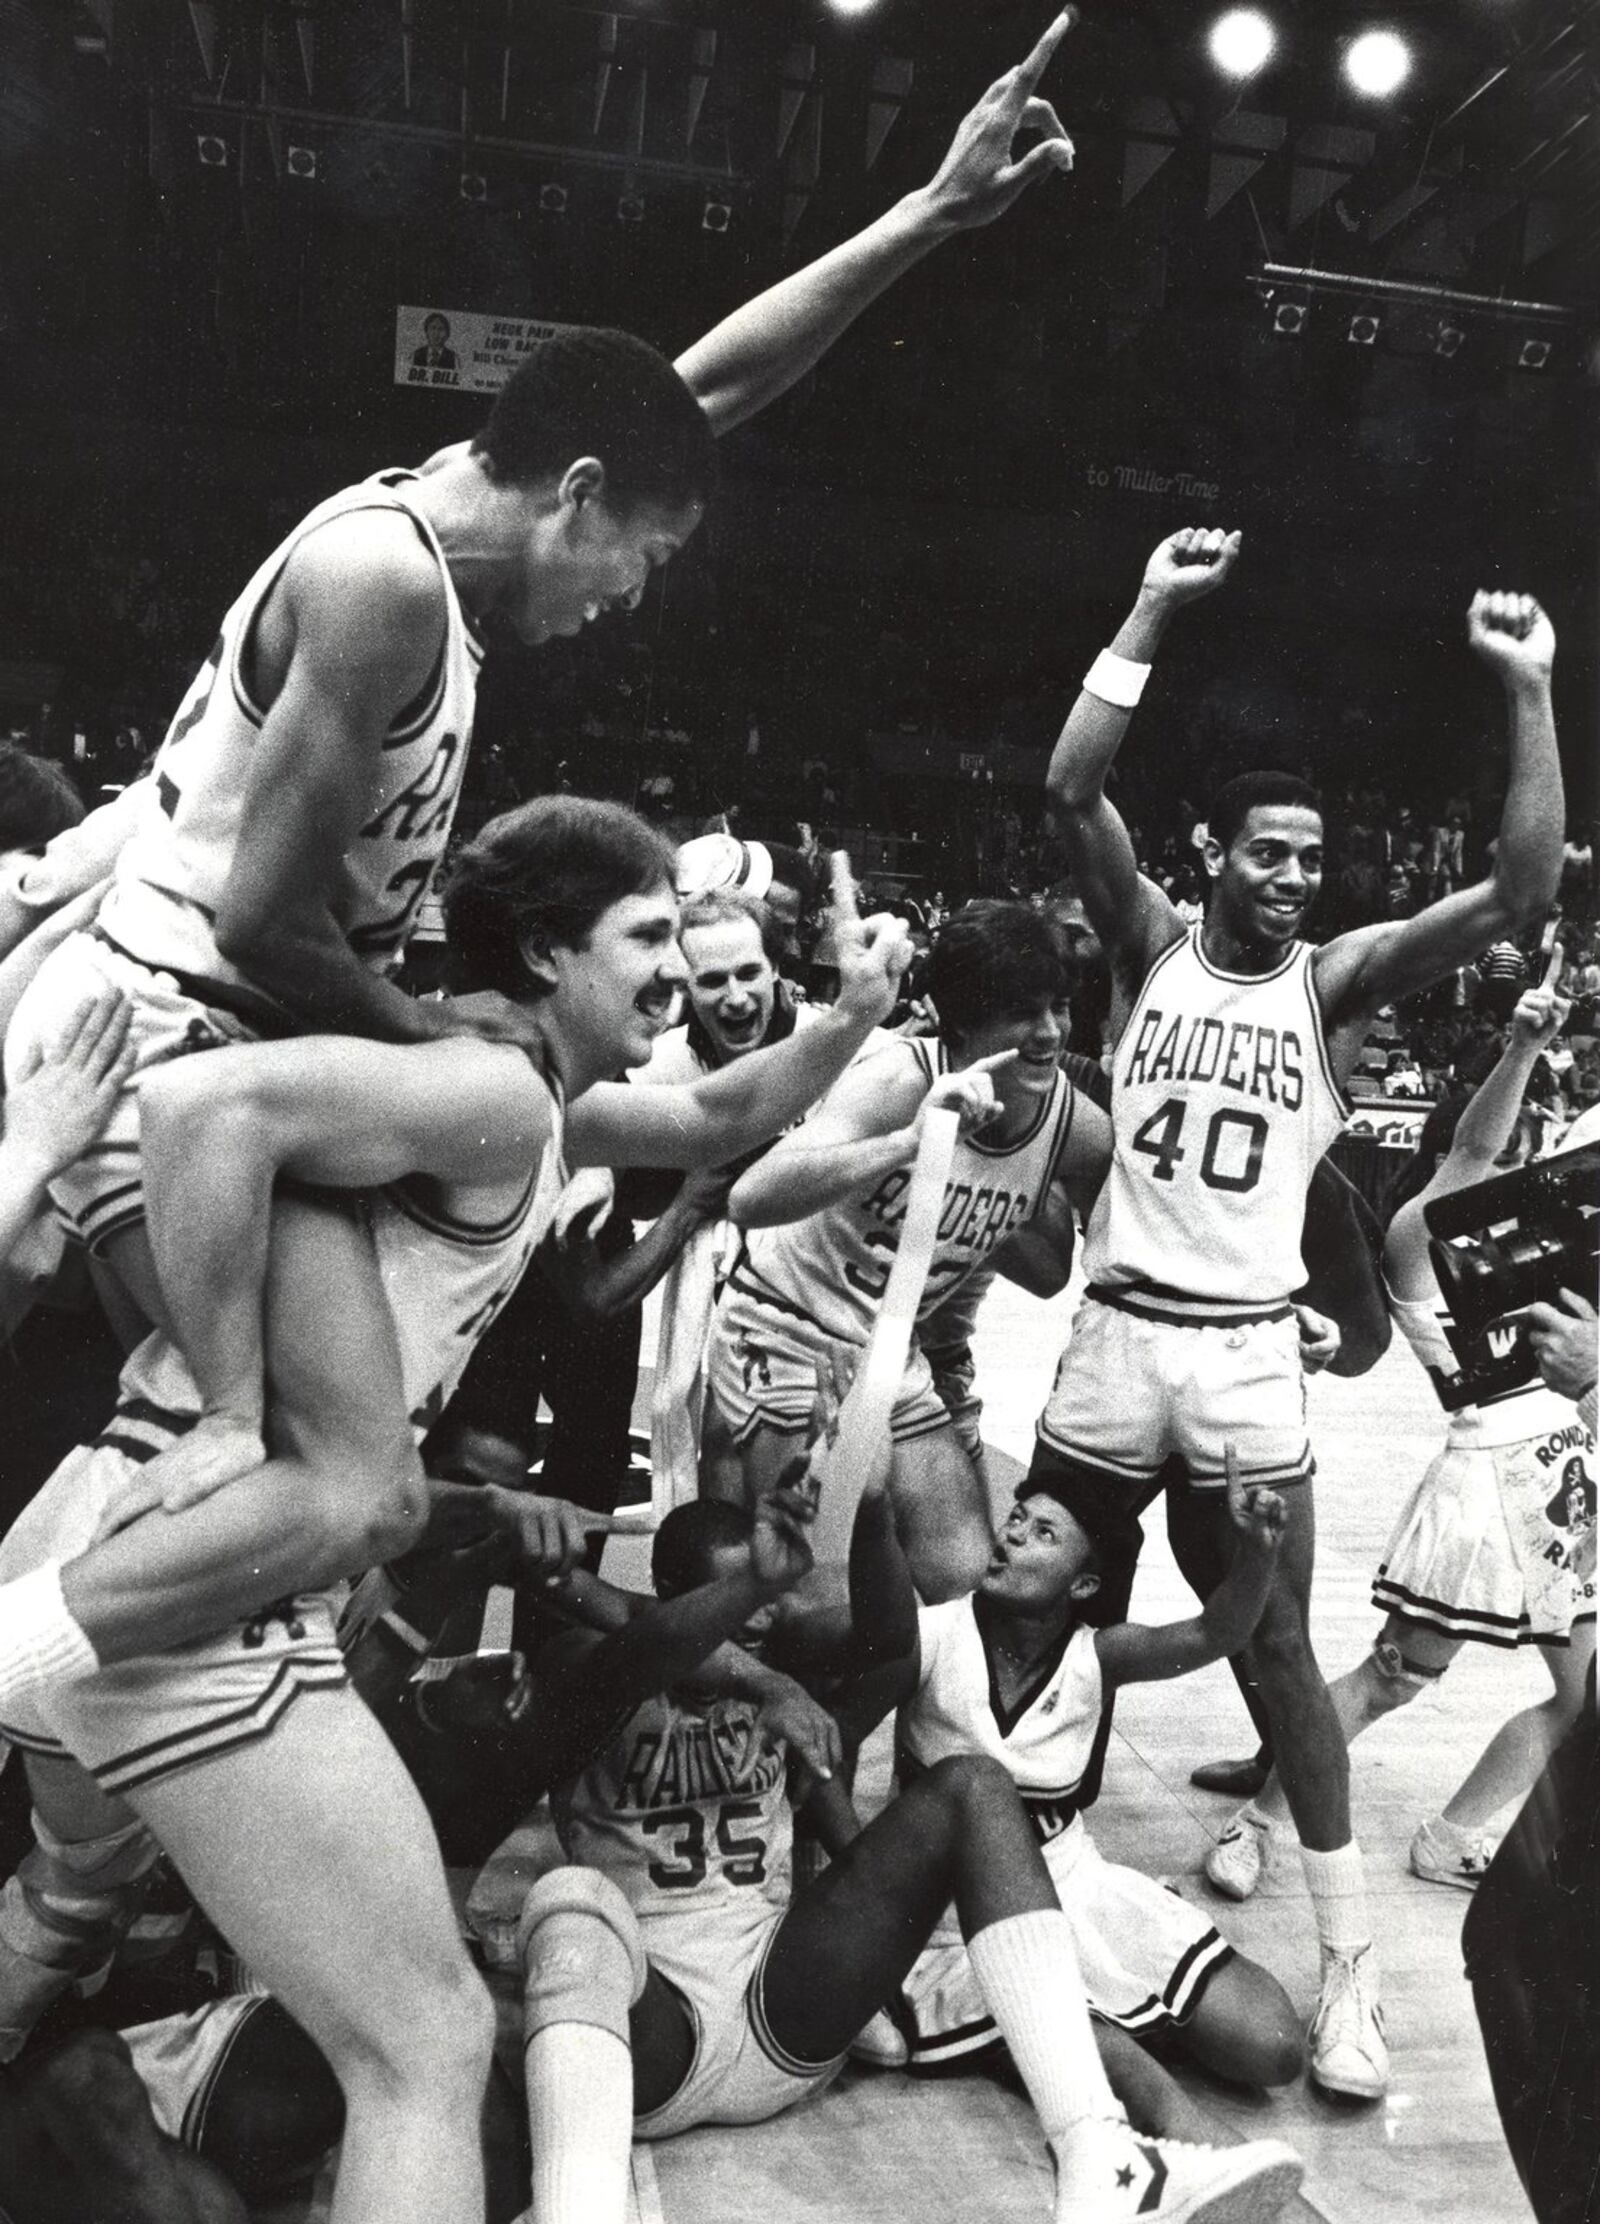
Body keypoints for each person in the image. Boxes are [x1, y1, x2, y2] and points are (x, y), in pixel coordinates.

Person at [0, 799, 910, 2224]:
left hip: (112, 1517)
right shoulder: (497, 1095)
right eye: (649, 935)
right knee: (427, 2044)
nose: (677, 972)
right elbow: (199, 1109)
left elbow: (722, 1114)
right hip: (198, 1570)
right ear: (550, 954)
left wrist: (852, 1017)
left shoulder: (517, 1090)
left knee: (65, 1911)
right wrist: (238, 1404)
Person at [1039, 523, 1564, 2097]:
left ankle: (1350, 1973)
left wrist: (1531, 691)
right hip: (1116, 1339)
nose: (1291, 874)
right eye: (1266, 851)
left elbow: (1521, 887)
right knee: (1046, 1613)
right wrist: (1144, 605)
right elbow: (1072, 793)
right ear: (1213, 857)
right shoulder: (1144, 946)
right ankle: (1020, 1866)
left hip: (1249, 1360)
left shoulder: (1331, 987)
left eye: (1308, 859)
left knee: (1275, 1661)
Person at [516, 1437, 1305, 2224]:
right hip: (653, 2029)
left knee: (975, 1783)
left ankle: (1101, 2161)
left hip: (783, 2014)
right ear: (669, 1594)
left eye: (766, 1599)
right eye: (732, 1599)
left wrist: (872, 1508)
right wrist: (762, 1678)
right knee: (570, 1901)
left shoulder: (797, 1648)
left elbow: (879, 1639)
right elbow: (628, 1634)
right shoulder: (599, 1669)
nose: (757, 1620)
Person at [1204, 961, 1593, 1899]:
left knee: (1585, 1704)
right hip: (1488, 1482)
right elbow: (1471, 1153)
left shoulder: (1566, 1247)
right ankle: (1258, 1822)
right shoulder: (1421, 1240)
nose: (1510, 1167)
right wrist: (1523, 1048)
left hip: (1569, 1482)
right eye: (1497, 1159)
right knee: (1393, 1677)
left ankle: (1455, 1831)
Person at [864, 1452, 1303, 2091]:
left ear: (1083, 1585)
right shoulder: (932, 1635)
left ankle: (1096, 2009)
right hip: (950, 1917)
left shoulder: (1098, 1656)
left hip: (1071, 1884)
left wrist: (1258, 1553)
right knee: (1105, 2062)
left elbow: (1215, 1633)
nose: (1012, 1533)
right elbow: (831, 1743)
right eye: (1016, 1519)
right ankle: (1083, 2024)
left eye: (1045, 1533)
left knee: (1273, 2047)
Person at [710, 901, 1110, 1598]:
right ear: (960, 1022)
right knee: (807, 1593)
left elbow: (1138, 1223)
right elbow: (751, 1198)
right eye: (1023, 1013)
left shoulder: (1072, 1121)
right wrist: (908, 1143)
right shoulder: (900, 1079)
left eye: (1058, 1008)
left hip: (893, 1354)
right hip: (785, 1327)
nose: (1049, 1033)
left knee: (963, 1584)